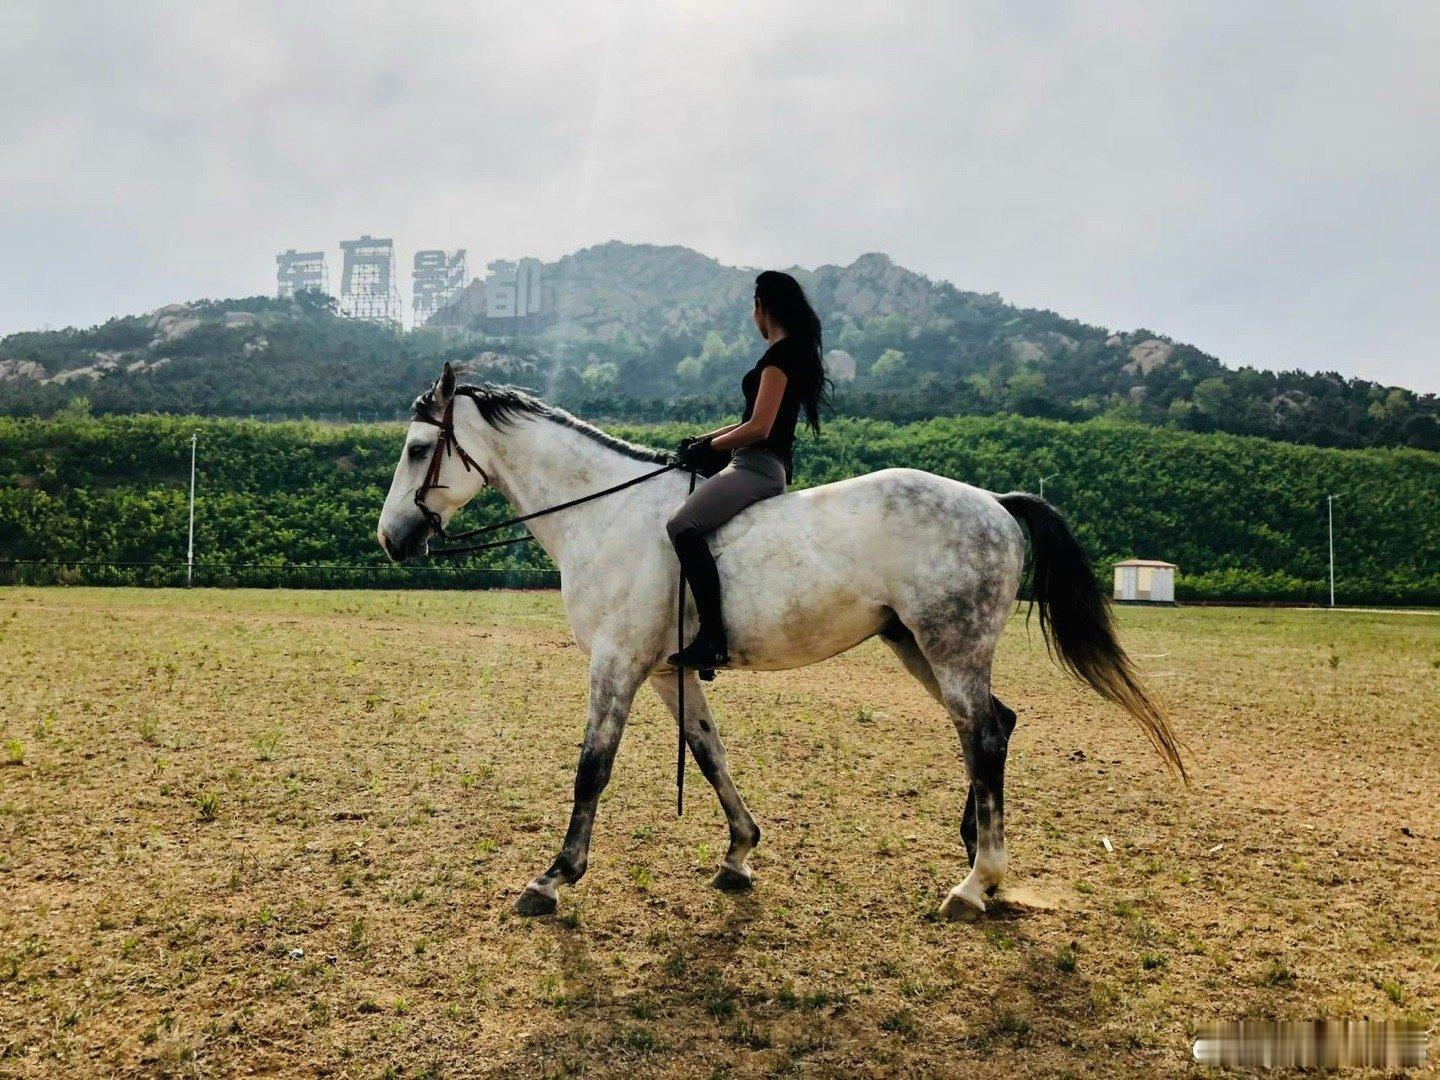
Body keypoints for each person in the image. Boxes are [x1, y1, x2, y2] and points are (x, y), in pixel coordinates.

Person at [666, 270, 829, 669]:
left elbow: (759, 428)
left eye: (752, 309)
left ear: (762, 308)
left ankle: (712, 638)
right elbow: (747, 421)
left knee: (681, 527)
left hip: (755, 467)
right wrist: (701, 442)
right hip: (755, 462)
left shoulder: (778, 358)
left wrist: (710, 447)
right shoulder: (790, 354)